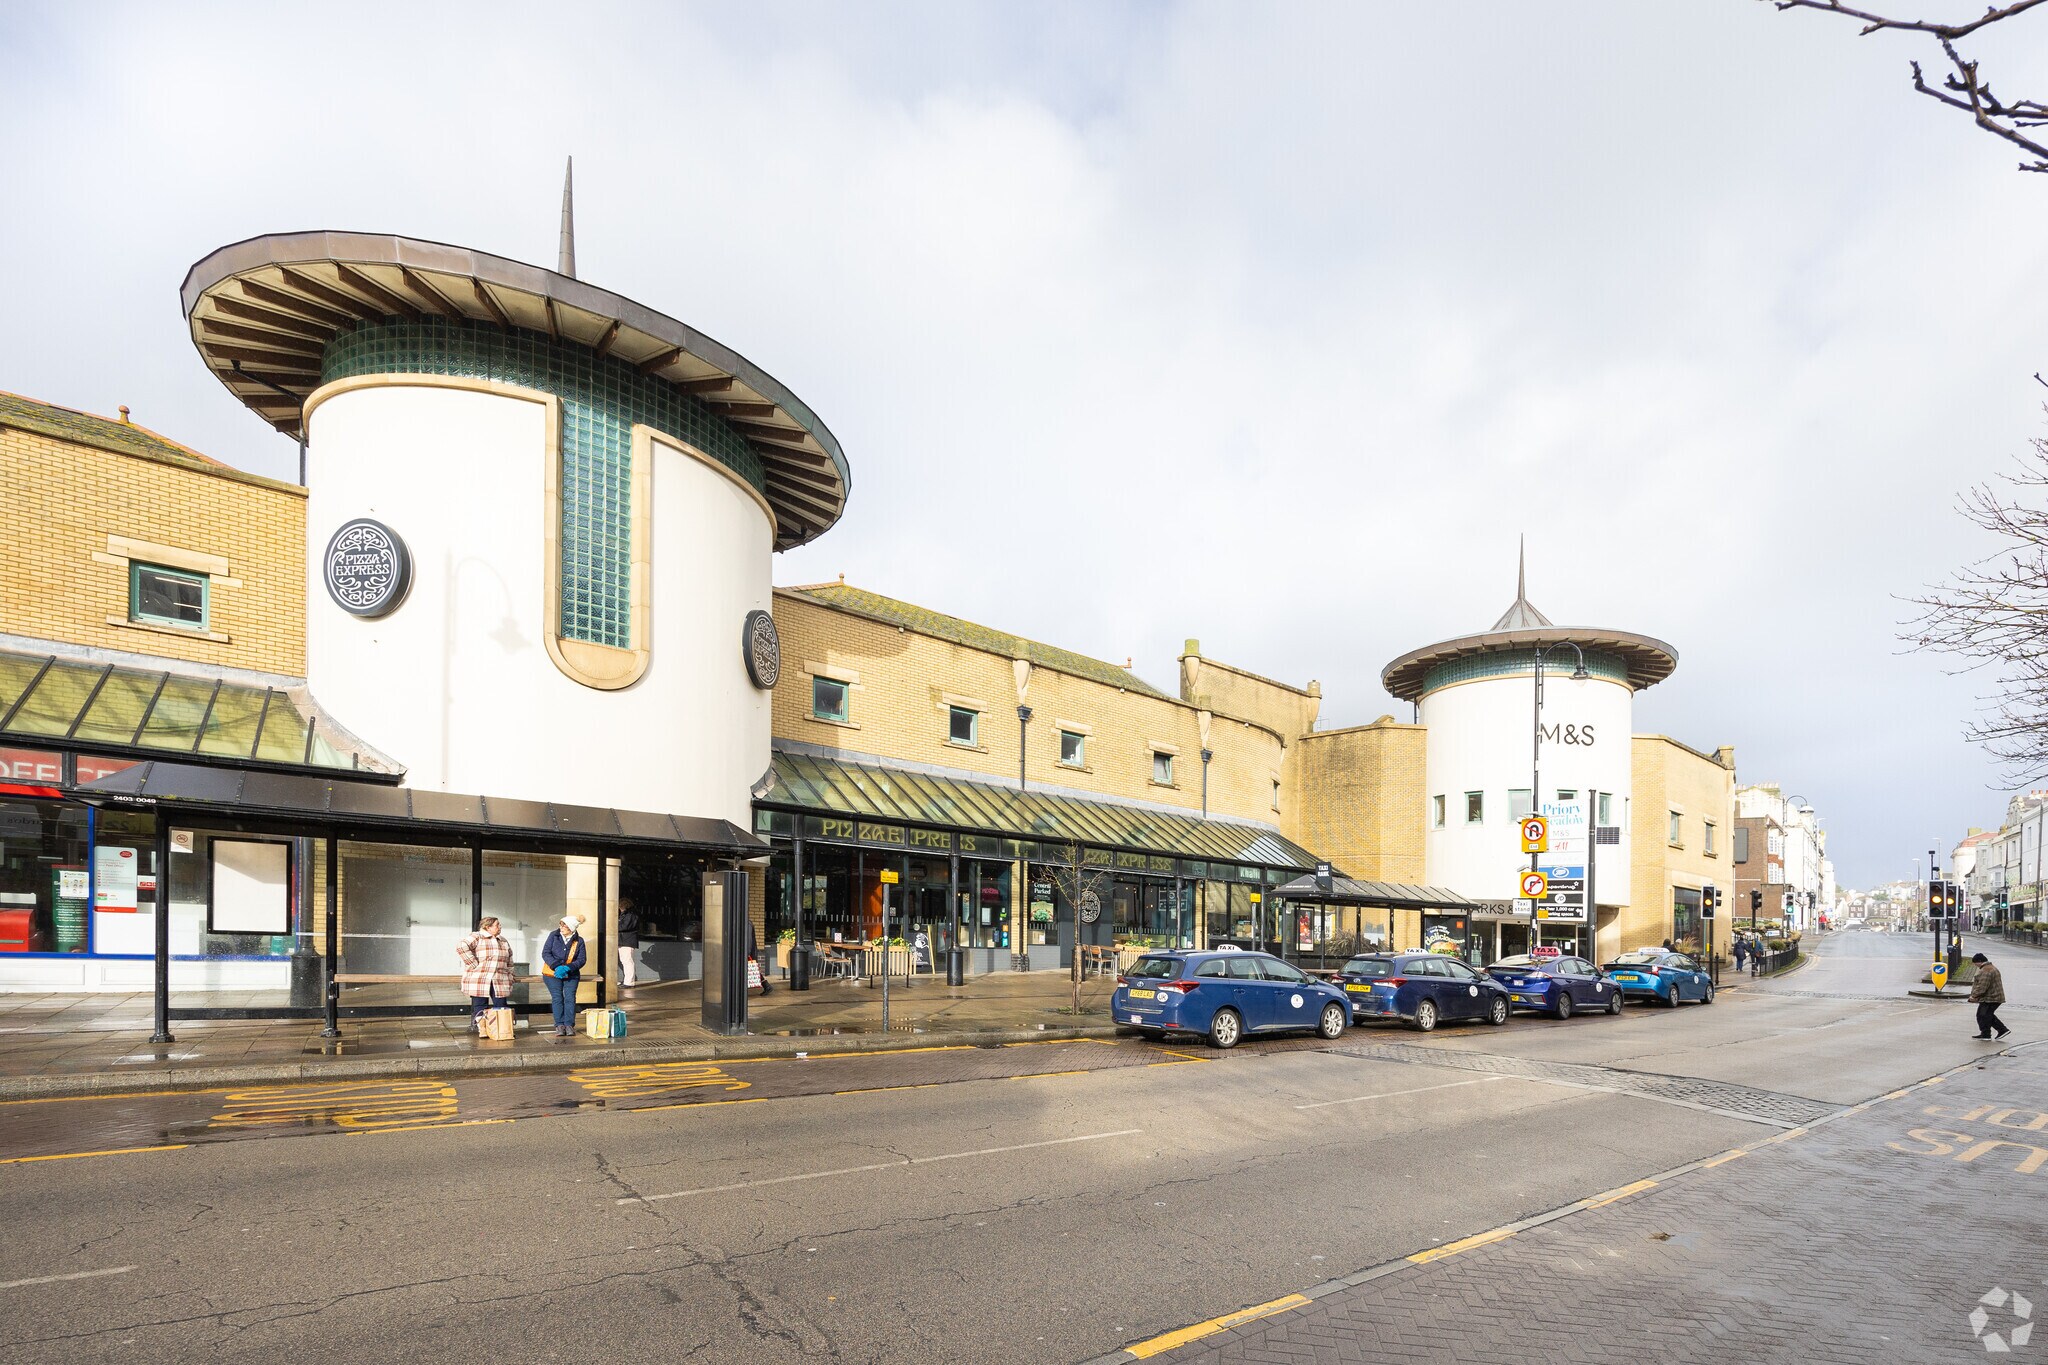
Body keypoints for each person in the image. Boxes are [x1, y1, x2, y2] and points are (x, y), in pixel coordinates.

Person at [456, 915, 514, 1032]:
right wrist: (473, 964)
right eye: (497, 925)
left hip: (499, 979)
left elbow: (510, 959)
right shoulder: (477, 937)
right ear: (488, 927)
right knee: (480, 1005)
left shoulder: (503, 940)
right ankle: (483, 1030)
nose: (500, 927)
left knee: (501, 1005)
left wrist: (510, 974)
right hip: (480, 979)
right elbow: (461, 946)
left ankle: (500, 1031)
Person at [540, 914, 587, 1036]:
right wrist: (556, 966)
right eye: (561, 925)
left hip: (571, 974)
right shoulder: (553, 936)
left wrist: (568, 968)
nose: (561, 928)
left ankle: (569, 1025)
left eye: (564, 926)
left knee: (570, 998)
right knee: (557, 998)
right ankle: (559, 1025)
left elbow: (582, 959)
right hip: (552, 974)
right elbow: (546, 953)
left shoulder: (579, 941)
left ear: (571, 928)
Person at [1969, 951, 2011, 1041]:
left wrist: (1973, 996)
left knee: (1983, 1015)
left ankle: (1991, 1033)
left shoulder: (1986, 970)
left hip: (1991, 998)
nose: (1975, 965)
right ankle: (1992, 1032)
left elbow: (1982, 987)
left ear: (1979, 961)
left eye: (1975, 963)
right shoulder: (1990, 968)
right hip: (1993, 997)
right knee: (1986, 1015)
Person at [616, 897, 640, 990]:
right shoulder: (628, 914)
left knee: (627, 961)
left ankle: (629, 982)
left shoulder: (629, 915)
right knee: (626, 961)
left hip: (626, 941)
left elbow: (624, 926)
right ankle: (628, 980)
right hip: (625, 940)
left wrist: (615, 924)